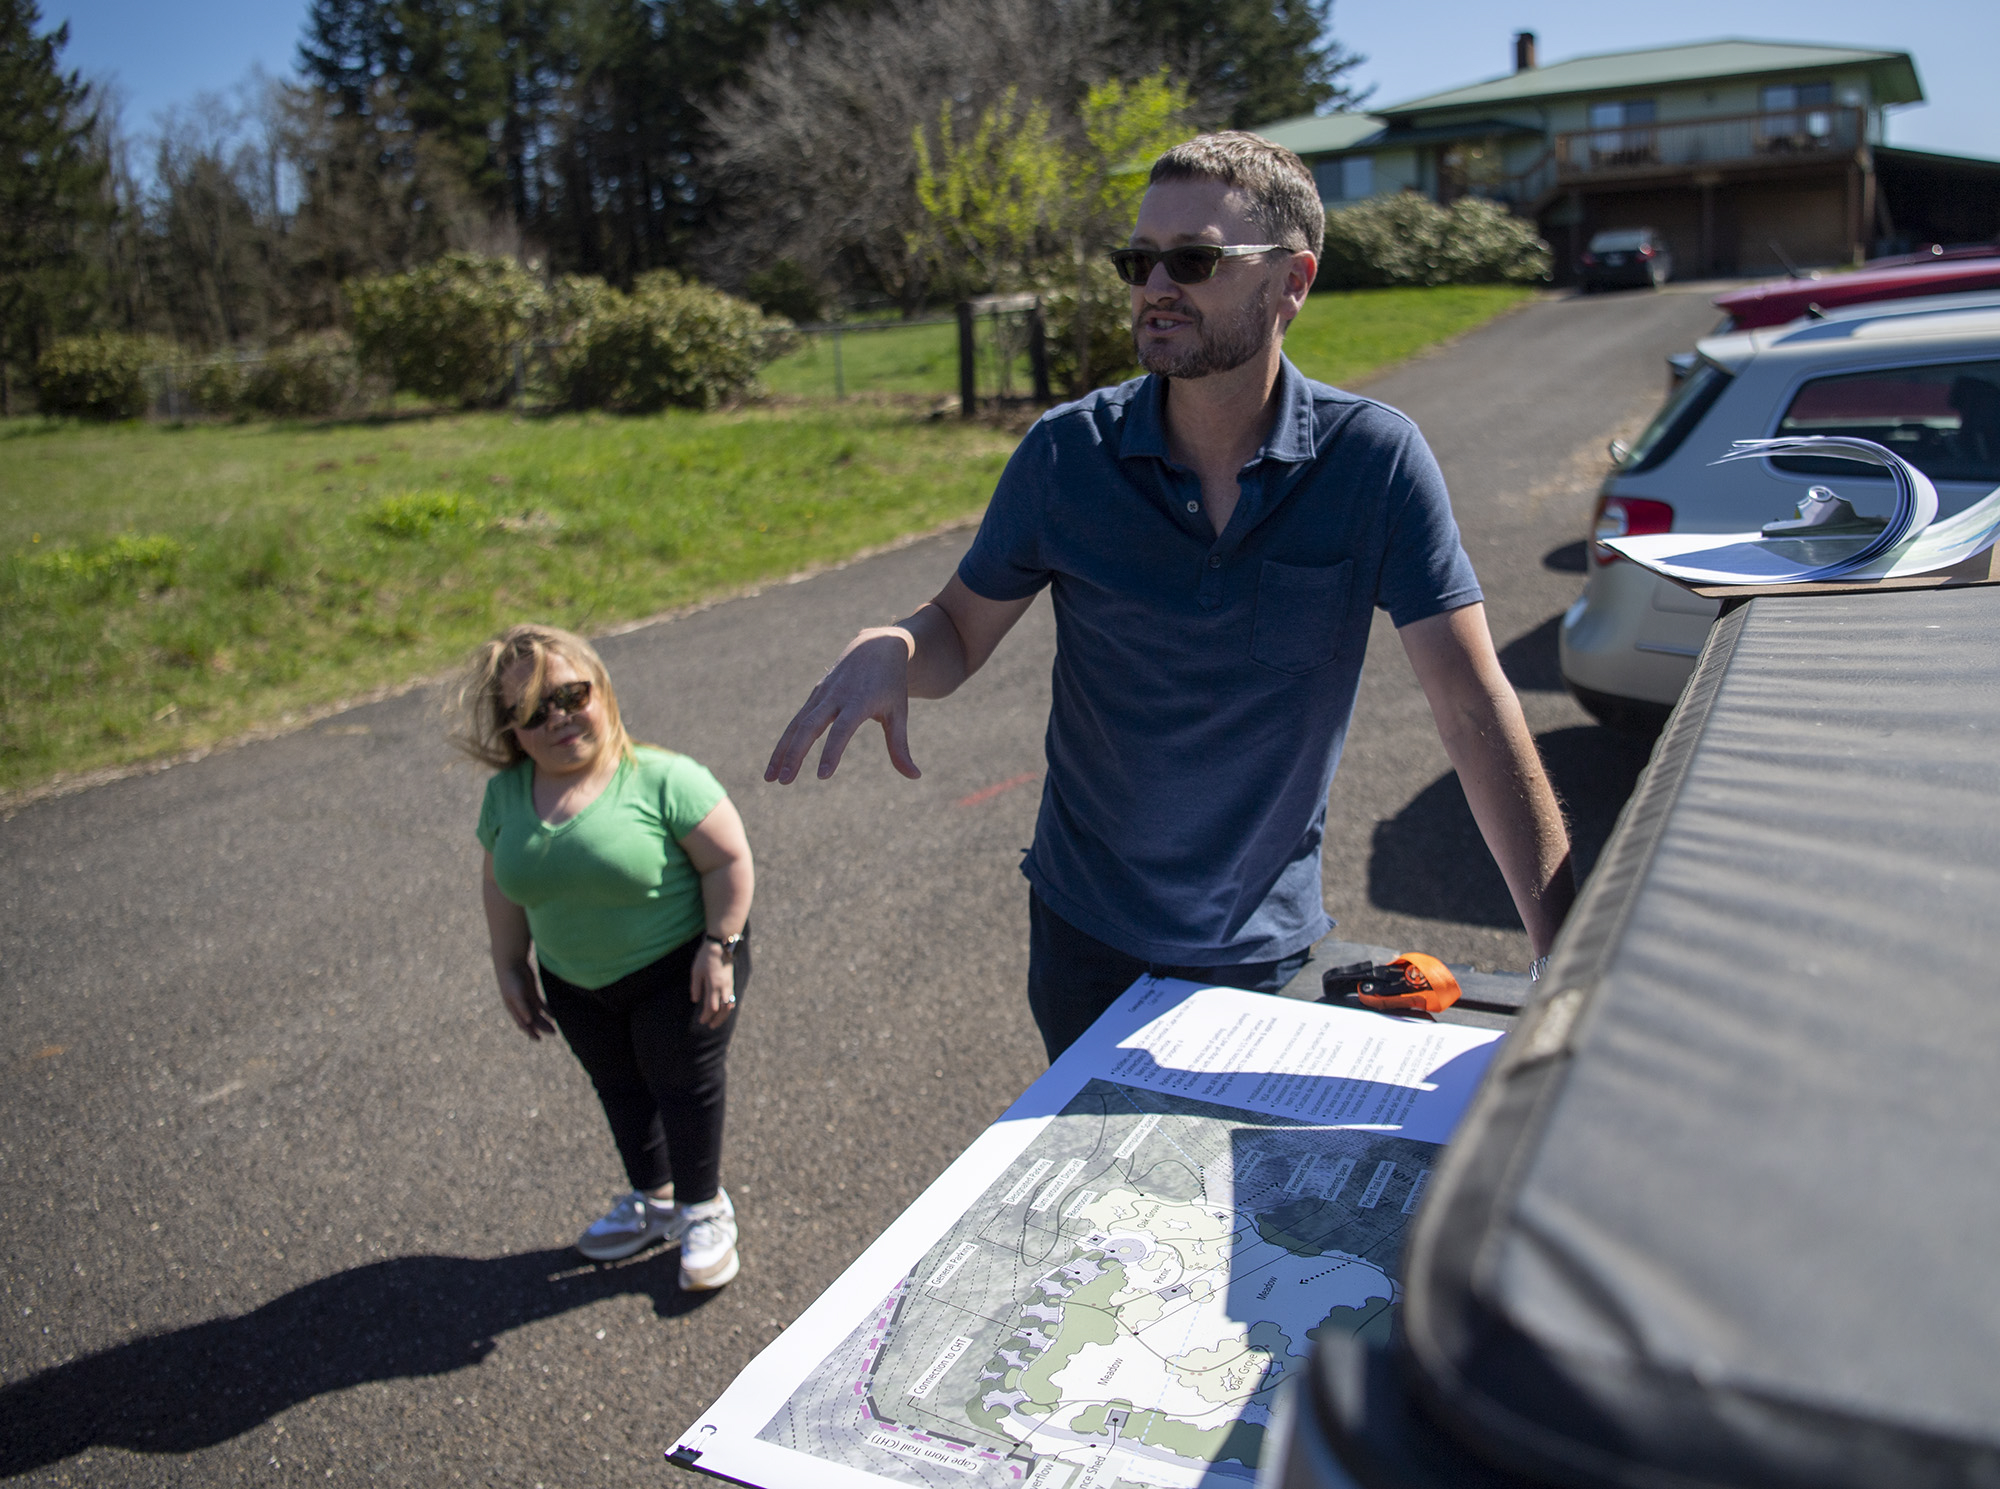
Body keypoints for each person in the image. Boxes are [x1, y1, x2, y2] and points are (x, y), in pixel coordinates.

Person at [766, 132, 1575, 1060]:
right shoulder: (1066, 456)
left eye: (1193, 260)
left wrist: (1566, 954)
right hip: (1085, 947)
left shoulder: (1375, 464)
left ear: (1293, 283)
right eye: (1138, 260)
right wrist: (900, 648)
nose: (1155, 285)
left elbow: (1473, 708)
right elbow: (955, 629)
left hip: (1266, 950)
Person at [458, 623, 752, 1287]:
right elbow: (500, 881)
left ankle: (705, 1209)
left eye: (571, 694)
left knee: (682, 1081)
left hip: (681, 963)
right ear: (511, 726)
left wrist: (720, 946)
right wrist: (509, 963)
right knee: (619, 1086)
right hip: (575, 979)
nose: (558, 717)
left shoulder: (663, 778)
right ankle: (655, 1200)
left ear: (602, 689)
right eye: (534, 710)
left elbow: (728, 859)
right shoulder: (507, 796)